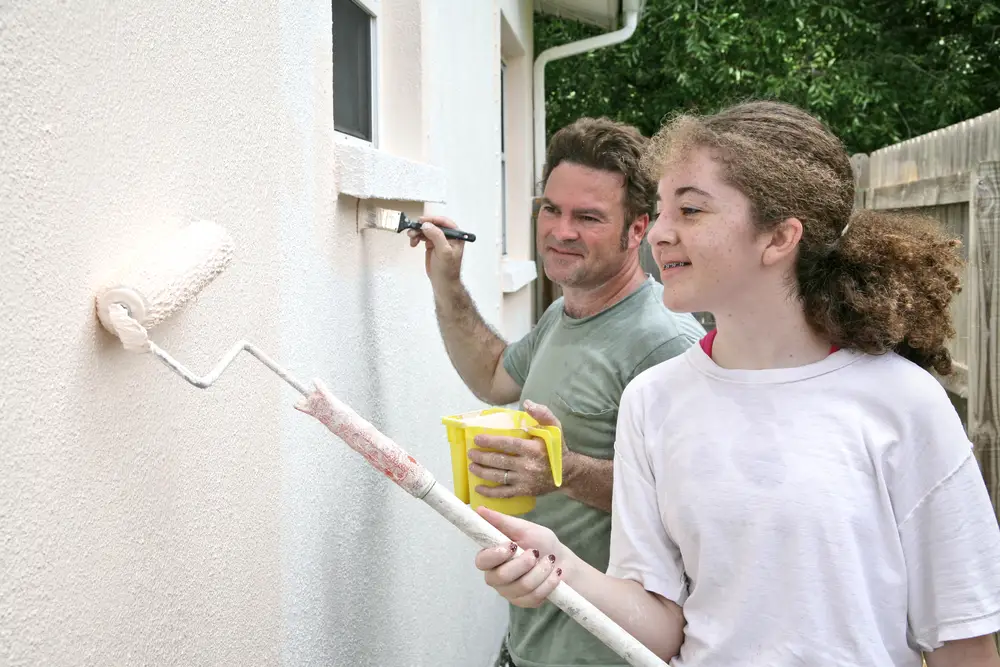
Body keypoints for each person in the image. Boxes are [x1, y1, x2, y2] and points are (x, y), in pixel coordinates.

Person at [471, 100, 1000, 667]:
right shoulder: (653, 401)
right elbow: (661, 627)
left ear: (778, 237)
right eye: (662, 211)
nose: (659, 235)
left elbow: (961, 642)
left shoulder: (903, 402)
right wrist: (562, 570)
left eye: (691, 210)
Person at [408, 116, 705, 666]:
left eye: (587, 217)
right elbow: (495, 375)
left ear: (637, 229)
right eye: (551, 209)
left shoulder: (665, 341)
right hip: (533, 641)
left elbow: (694, 500)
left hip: (608, 653)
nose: (560, 231)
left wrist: (561, 472)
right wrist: (446, 281)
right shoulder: (562, 315)